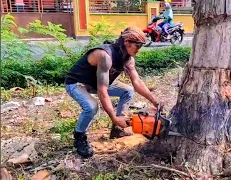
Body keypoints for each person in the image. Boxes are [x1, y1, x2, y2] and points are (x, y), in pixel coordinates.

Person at [64, 26, 161, 158]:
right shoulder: (105, 55)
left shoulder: (128, 59)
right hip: (77, 83)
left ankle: (117, 129)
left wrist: (155, 101)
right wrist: (113, 117)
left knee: (128, 91)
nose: (139, 49)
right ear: (127, 42)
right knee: (91, 107)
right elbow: (102, 90)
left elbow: (137, 82)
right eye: (137, 45)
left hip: (97, 83)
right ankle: (79, 137)